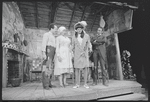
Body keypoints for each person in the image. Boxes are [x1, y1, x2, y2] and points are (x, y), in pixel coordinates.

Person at [72, 21, 92, 89]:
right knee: (77, 69)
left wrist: (86, 51)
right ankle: (77, 84)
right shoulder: (74, 37)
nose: (79, 30)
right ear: (76, 30)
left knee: (85, 69)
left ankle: (85, 84)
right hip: (77, 55)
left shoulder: (86, 36)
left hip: (84, 54)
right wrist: (72, 53)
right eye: (78, 29)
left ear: (82, 29)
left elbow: (88, 44)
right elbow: (72, 46)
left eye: (80, 29)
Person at [41, 23, 57, 90]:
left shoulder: (53, 36)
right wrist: (43, 53)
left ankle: (49, 83)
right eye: (55, 29)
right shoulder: (46, 34)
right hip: (48, 51)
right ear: (51, 28)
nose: (56, 30)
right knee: (46, 68)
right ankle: (46, 85)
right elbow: (43, 44)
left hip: (52, 52)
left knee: (51, 68)